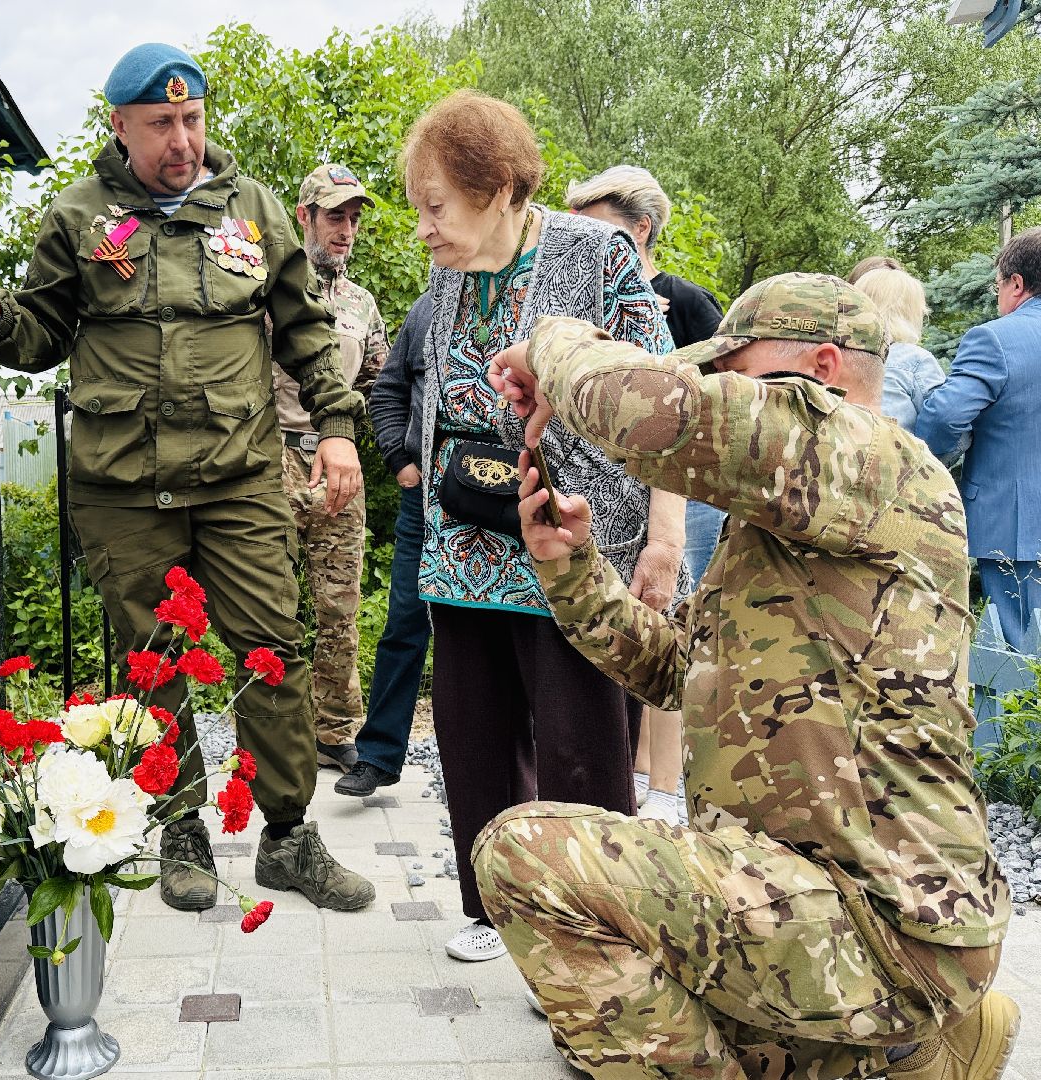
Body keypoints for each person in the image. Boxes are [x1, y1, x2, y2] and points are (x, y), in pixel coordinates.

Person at [480, 273, 1017, 1079]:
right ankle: (914, 1057)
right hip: (809, 899)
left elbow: (654, 409)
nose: (727, 400)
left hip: (875, 921)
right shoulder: (782, 530)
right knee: (597, 1015)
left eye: (742, 380)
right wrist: (573, 570)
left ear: (825, 369)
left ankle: (887, 1034)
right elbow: (673, 672)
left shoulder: (878, 460)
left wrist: (550, 342)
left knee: (524, 856)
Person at [0, 44, 374, 913]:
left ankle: (289, 837)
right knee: (151, 664)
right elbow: (41, 333)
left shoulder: (254, 211)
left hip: (238, 480)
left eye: (192, 120)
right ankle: (181, 826)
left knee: (276, 649)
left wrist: (337, 430)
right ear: (119, 125)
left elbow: (306, 330)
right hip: (123, 488)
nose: (181, 139)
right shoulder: (78, 217)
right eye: (161, 124)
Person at [399, 90, 684, 964]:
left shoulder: (595, 253)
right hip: (465, 544)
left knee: (582, 752)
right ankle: (500, 914)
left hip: (569, 547)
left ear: (497, 190)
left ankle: (604, 931)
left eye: (435, 207)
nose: (423, 229)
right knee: (474, 738)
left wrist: (665, 542)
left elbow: (665, 398)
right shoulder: (451, 271)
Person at [567, 164, 722, 825]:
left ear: (641, 229)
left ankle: (666, 794)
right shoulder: (575, 303)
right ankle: (623, 779)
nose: (588, 247)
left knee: (665, 632)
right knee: (610, 636)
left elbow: (717, 401)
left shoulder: (684, 303)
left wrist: (672, 523)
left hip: (668, 495)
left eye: (600, 232)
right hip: (592, 500)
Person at [274, 164, 389, 773]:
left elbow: (378, 380)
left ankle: (335, 729)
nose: (346, 230)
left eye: (352, 218)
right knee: (272, 604)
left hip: (336, 461)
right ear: (305, 217)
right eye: (334, 216)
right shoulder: (270, 288)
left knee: (339, 605)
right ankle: (275, 729)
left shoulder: (361, 304)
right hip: (272, 457)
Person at [917, 227, 1041, 650]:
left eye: (999, 285)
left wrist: (934, 460)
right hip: (1020, 526)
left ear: (1017, 284)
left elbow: (946, 416)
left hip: (1018, 530)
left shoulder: (996, 340)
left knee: (1016, 665)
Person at [336, 292, 434, 798]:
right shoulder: (425, 308)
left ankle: (503, 754)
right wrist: (399, 457)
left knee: (493, 634)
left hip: (506, 496)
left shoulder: (531, 296)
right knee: (403, 624)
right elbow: (387, 390)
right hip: (427, 498)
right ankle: (378, 756)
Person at [853, 265, 945, 432]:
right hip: (898, 455)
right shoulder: (914, 360)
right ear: (912, 311)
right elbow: (945, 421)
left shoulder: (839, 356)